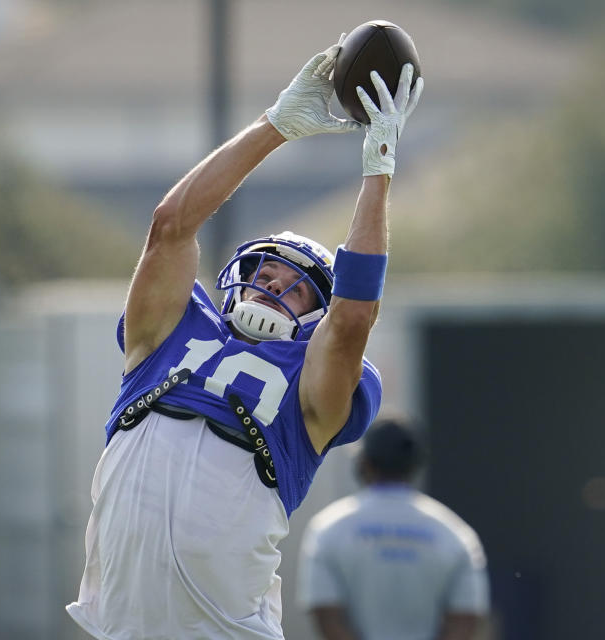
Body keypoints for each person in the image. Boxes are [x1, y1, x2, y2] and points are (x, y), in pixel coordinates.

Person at [66, 35, 423, 640]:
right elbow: (170, 226)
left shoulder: (310, 391)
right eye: (264, 274)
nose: (270, 288)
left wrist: (378, 168)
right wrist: (276, 125)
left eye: (295, 287)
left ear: (317, 313)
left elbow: (355, 318)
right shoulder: (167, 337)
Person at [297, 418, 490, 640]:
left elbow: (327, 618)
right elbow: (465, 621)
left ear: (364, 463)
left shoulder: (327, 529)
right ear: (416, 464)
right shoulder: (456, 535)